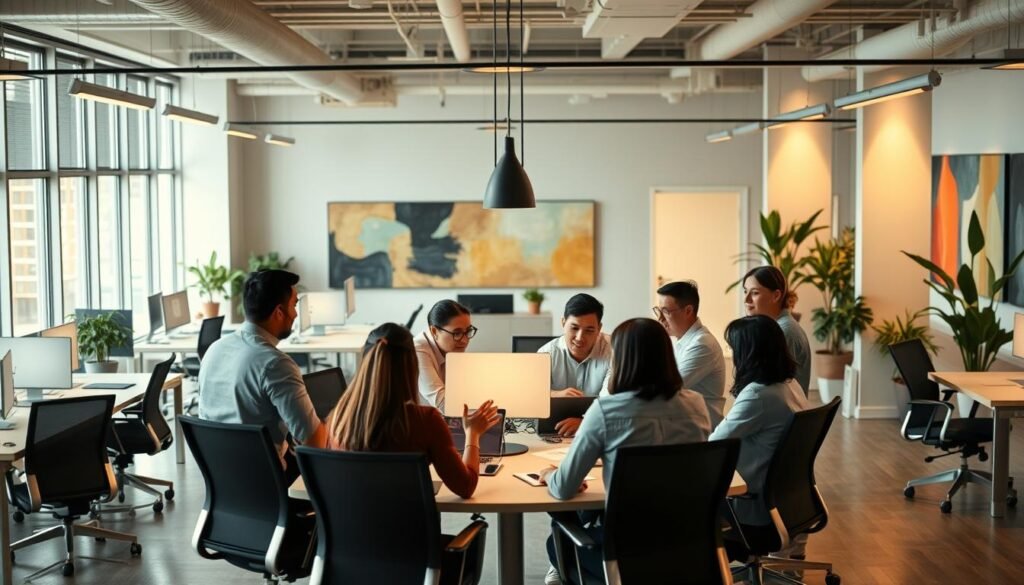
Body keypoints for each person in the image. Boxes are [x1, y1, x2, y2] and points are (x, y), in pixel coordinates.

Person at [536, 318, 712, 584]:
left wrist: (550, 474)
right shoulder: (696, 404)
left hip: (624, 555)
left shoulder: (606, 411)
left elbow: (563, 488)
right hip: (687, 545)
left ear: (622, 358)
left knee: (556, 542)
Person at [325, 323, 500, 499]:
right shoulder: (425, 421)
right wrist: (473, 434)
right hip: (408, 526)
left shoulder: (339, 418)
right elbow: (465, 487)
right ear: (411, 365)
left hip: (350, 526)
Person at [199, 269, 326, 480]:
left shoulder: (214, 349)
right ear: (278, 312)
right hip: (268, 483)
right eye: (294, 305)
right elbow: (315, 444)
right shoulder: (276, 364)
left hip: (220, 477)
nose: (295, 314)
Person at [709, 314, 809, 559]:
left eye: (734, 349)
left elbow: (713, 447)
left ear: (749, 352)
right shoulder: (789, 384)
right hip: (787, 506)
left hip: (752, 510)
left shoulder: (759, 395)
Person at [537, 293, 612, 437]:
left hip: (599, 430)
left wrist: (585, 422)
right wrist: (556, 394)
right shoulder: (546, 353)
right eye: (574, 328)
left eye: (589, 330)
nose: (579, 338)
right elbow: (532, 394)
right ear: (563, 323)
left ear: (599, 328)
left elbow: (611, 399)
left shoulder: (614, 351)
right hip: (553, 433)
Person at [654, 280, 727, 429]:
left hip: (702, 435)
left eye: (666, 312)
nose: (660, 319)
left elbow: (667, 388)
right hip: (684, 427)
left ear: (688, 311)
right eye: (658, 311)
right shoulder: (679, 341)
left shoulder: (702, 344)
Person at [742, 266, 811, 396]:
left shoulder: (783, 332)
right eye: (745, 291)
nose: (746, 300)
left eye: (755, 293)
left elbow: (766, 388)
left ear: (776, 295)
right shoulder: (776, 327)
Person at [415, 300, 477, 411]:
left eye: (467, 331)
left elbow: (465, 392)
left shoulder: (452, 349)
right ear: (434, 331)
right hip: (417, 423)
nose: (465, 340)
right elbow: (443, 403)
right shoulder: (417, 351)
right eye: (457, 333)